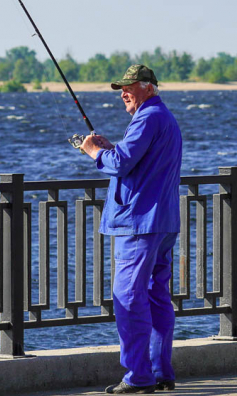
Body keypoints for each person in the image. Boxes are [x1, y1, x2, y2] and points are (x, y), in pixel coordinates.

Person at [80, 64, 183, 394]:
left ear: (149, 88)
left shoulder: (148, 117)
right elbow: (134, 159)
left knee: (128, 296)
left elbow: (121, 164)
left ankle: (139, 376)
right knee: (156, 296)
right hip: (162, 221)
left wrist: (95, 151)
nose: (123, 92)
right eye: (121, 88)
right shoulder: (163, 117)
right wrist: (112, 149)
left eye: (130, 87)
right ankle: (160, 370)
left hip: (140, 223)